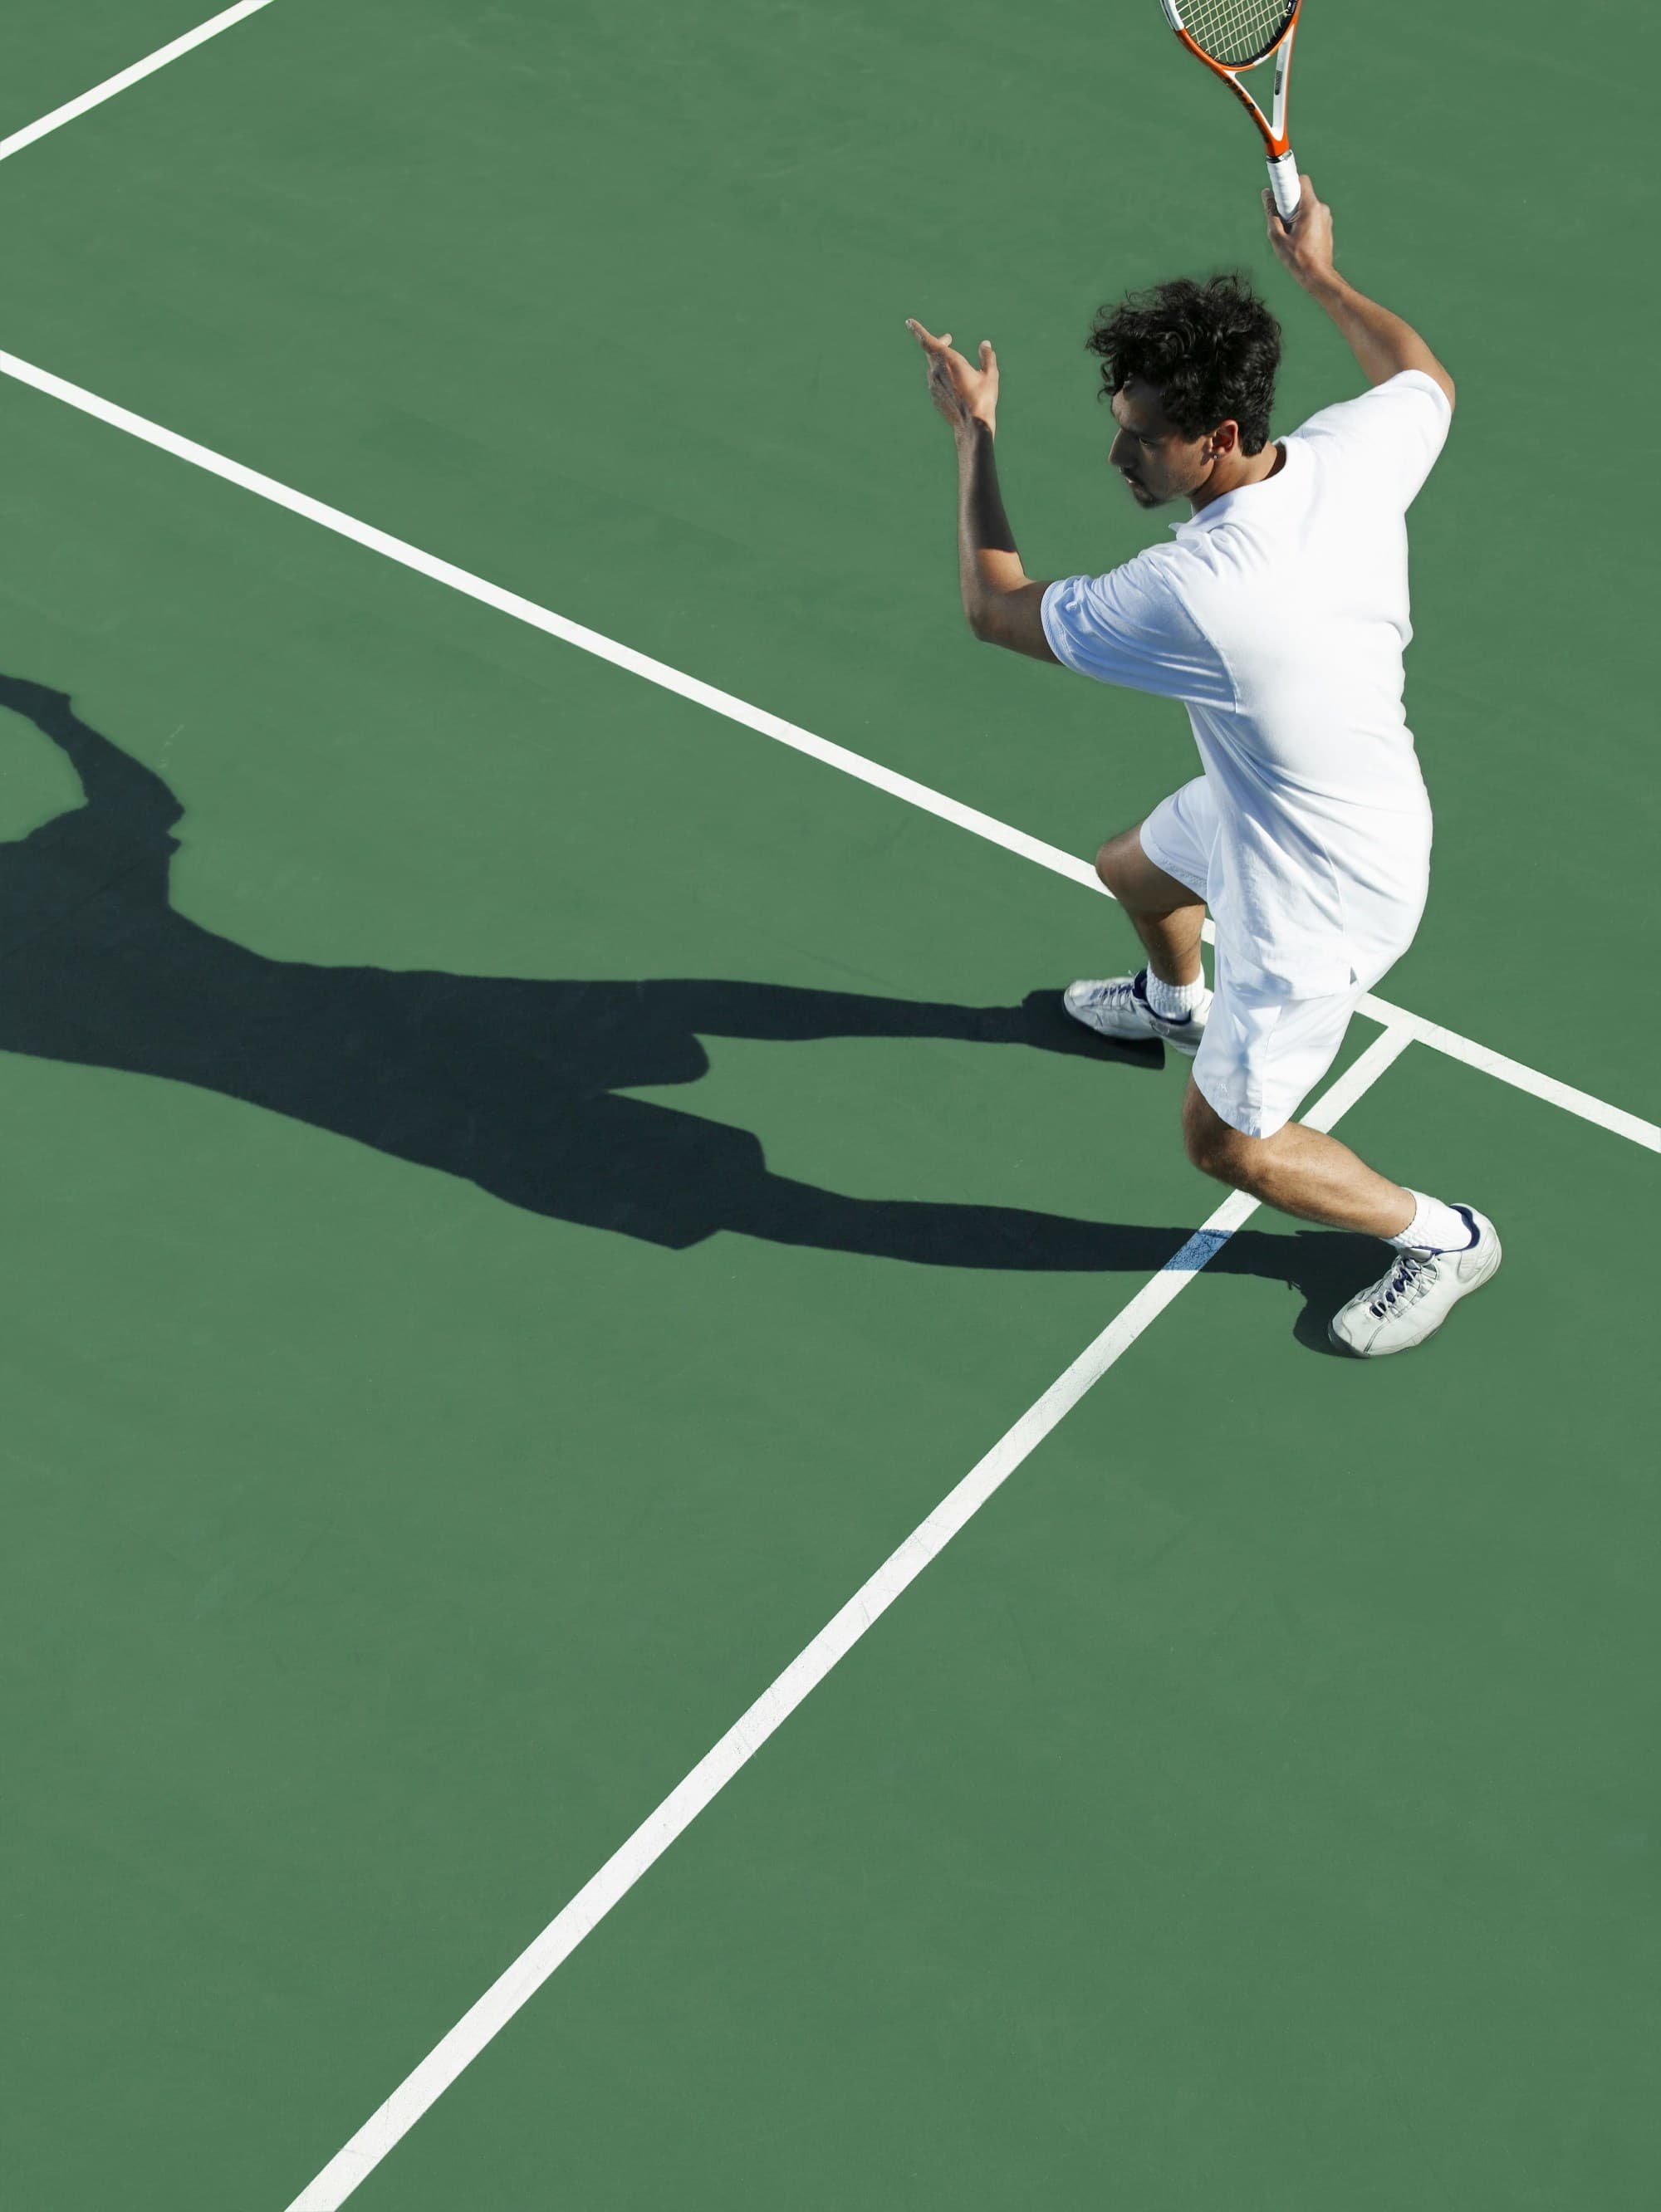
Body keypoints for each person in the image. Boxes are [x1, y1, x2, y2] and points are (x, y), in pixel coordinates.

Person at [906, 177, 1500, 1356]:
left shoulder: (1197, 593)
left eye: (1144, 434)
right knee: (1131, 868)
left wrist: (975, 435)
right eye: (1119, 417)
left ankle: (1442, 1236)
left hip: (1319, 899)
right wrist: (1323, 279)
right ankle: (1174, 1006)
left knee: (1228, 1146)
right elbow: (1424, 376)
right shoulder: (1347, 457)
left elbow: (995, 610)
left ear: (1220, 437)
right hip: (1307, 802)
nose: (1118, 451)